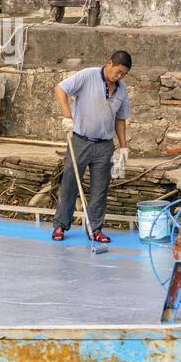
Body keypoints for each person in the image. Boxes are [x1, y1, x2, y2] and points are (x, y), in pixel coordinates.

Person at [51, 50, 132, 243]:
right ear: (109, 63)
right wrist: (67, 116)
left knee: (100, 188)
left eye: (124, 74)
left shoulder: (122, 89)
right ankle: (60, 226)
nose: (119, 76)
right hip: (80, 141)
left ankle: (95, 229)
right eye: (118, 71)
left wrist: (123, 147)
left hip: (104, 145)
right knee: (70, 183)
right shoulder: (88, 76)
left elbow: (120, 118)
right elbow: (60, 89)